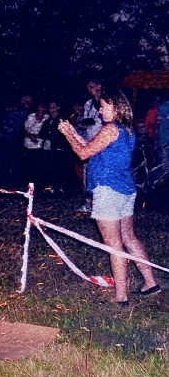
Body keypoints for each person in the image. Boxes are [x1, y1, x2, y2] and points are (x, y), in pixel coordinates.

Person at [58, 88, 160, 306]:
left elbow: (83, 153)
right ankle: (151, 283)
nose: (100, 110)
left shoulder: (110, 129)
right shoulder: (126, 129)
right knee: (129, 238)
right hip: (125, 189)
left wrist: (67, 134)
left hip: (108, 190)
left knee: (113, 244)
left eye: (104, 106)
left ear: (116, 107)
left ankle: (121, 297)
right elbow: (90, 148)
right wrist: (73, 131)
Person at [76, 79, 103, 212]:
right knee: (87, 172)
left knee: (99, 172)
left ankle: (99, 204)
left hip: (102, 142)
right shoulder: (88, 103)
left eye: (92, 86)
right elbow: (85, 121)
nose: (90, 89)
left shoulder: (106, 102)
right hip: (89, 140)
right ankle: (88, 202)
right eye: (88, 87)